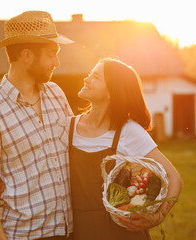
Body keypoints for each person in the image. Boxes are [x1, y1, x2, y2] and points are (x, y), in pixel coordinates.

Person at [0, 11, 75, 239]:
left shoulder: (56, 94)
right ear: (26, 55)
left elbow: (79, 147)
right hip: (25, 235)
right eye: (51, 54)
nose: (57, 63)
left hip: (70, 231)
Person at [68, 58, 183, 239]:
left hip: (121, 232)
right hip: (80, 230)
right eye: (89, 74)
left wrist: (157, 218)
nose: (86, 79)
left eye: (95, 77)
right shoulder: (68, 127)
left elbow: (174, 178)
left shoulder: (128, 131)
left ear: (111, 92)